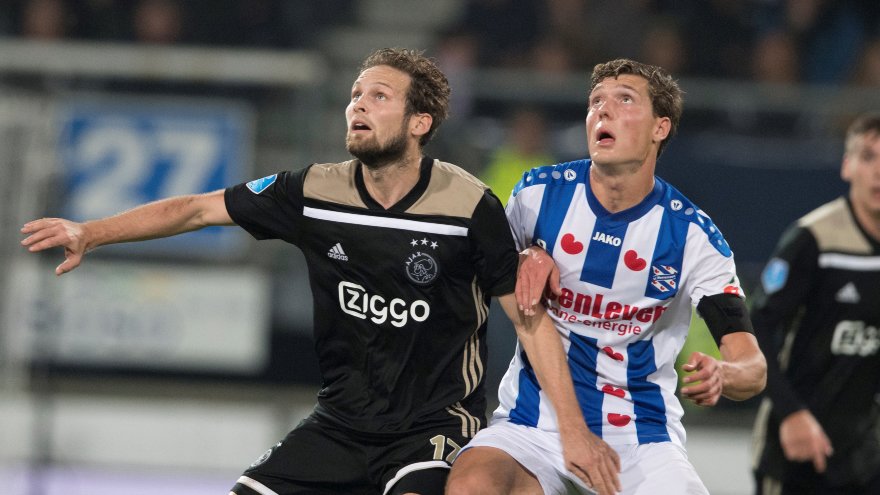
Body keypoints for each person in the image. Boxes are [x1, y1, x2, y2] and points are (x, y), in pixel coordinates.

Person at [20, 48, 539, 495]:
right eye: (355, 94)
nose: (358, 104)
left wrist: (561, 427)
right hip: (340, 425)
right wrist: (91, 232)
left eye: (379, 96)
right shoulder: (314, 191)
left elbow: (527, 320)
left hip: (431, 428)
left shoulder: (468, 205)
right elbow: (197, 210)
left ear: (419, 123)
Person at [446, 58, 767, 495]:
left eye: (625, 100)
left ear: (660, 128)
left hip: (640, 439)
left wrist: (725, 375)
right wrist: (524, 256)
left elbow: (753, 366)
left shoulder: (691, 236)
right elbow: (473, 277)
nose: (603, 110)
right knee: (473, 485)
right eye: (596, 101)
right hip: (532, 426)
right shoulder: (536, 196)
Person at [750, 114, 880, 494]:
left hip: (866, 453)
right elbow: (757, 327)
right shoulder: (815, 239)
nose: (879, 172)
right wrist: (790, 413)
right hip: (796, 449)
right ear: (847, 166)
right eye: (868, 157)